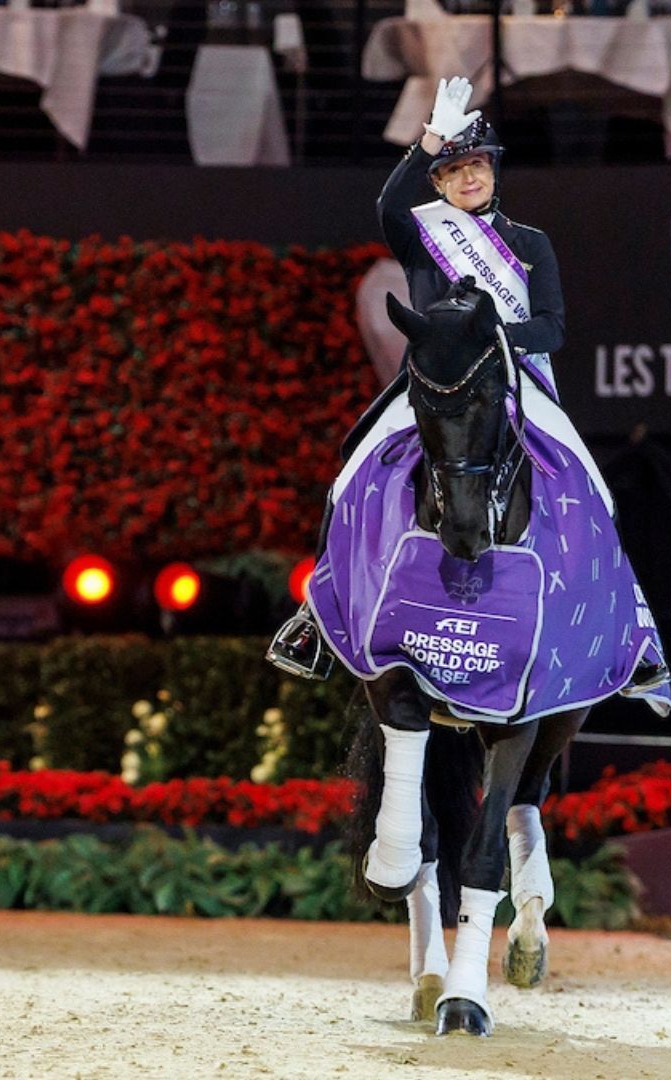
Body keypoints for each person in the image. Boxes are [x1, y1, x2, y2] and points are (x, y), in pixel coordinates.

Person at [268, 76, 564, 680]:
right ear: (438, 183)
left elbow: (552, 327)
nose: (469, 178)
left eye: (477, 165)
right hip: (431, 389)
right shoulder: (423, 238)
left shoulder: (531, 245)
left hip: (512, 382)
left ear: (493, 170)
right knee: (350, 471)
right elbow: (388, 206)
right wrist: (429, 141)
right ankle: (313, 620)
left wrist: (496, 340)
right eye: (453, 171)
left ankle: (629, 620)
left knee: (589, 479)